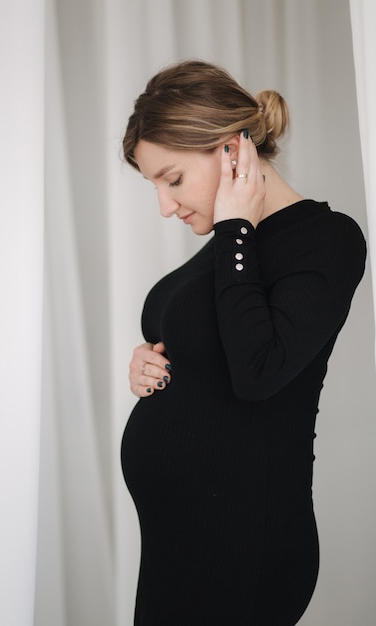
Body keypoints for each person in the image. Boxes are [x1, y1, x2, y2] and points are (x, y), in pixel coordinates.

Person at [120, 60, 366, 626]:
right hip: (177, 546)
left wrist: (235, 229)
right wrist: (151, 358)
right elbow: (207, 338)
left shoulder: (325, 241)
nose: (164, 205)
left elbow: (259, 369)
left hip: (242, 548)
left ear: (234, 151)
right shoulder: (232, 242)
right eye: (153, 185)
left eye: (172, 179)